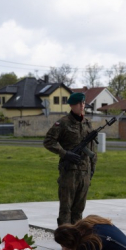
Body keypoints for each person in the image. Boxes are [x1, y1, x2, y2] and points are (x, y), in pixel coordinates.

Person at [43, 92, 97, 226]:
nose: (82, 105)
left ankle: (76, 238)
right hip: (69, 173)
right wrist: (65, 153)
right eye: (79, 103)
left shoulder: (87, 123)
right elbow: (49, 141)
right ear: (72, 105)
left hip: (85, 172)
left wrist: (92, 168)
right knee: (66, 209)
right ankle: (66, 240)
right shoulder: (63, 123)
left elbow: (93, 148)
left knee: (79, 210)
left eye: (83, 103)